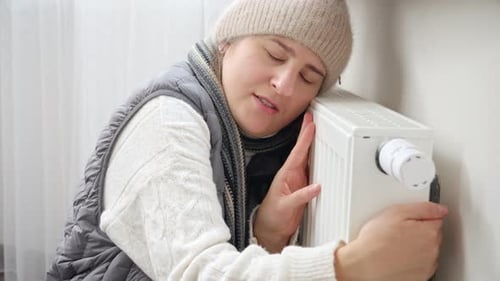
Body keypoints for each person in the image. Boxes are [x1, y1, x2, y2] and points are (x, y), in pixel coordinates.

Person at [47, 0, 448, 280]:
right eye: (275, 53)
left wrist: (266, 232)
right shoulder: (168, 122)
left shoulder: (254, 137)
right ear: (228, 41)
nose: (285, 84)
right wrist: (351, 265)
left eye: (309, 77)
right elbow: (200, 272)